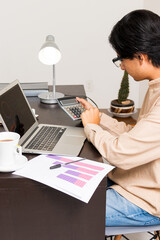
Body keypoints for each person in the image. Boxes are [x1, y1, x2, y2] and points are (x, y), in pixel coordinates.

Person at [77, 9, 160, 227]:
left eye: (121, 58)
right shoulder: (155, 86)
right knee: (59, 192)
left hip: (146, 201)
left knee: (64, 212)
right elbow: (136, 137)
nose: (122, 66)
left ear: (140, 57)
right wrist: (100, 118)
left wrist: (92, 128)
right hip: (131, 181)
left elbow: (119, 153)